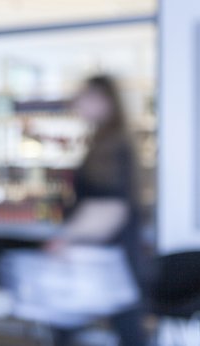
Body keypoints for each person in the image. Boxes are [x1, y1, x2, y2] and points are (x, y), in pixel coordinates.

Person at [44, 75, 144, 345]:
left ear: (105, 101)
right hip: (112, 253)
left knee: (69, 325)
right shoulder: (108, 141)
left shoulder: (110, 146)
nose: (78, 101)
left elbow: (110, 207)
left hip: (106, 253)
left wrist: (66, 237)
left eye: (86, 96)